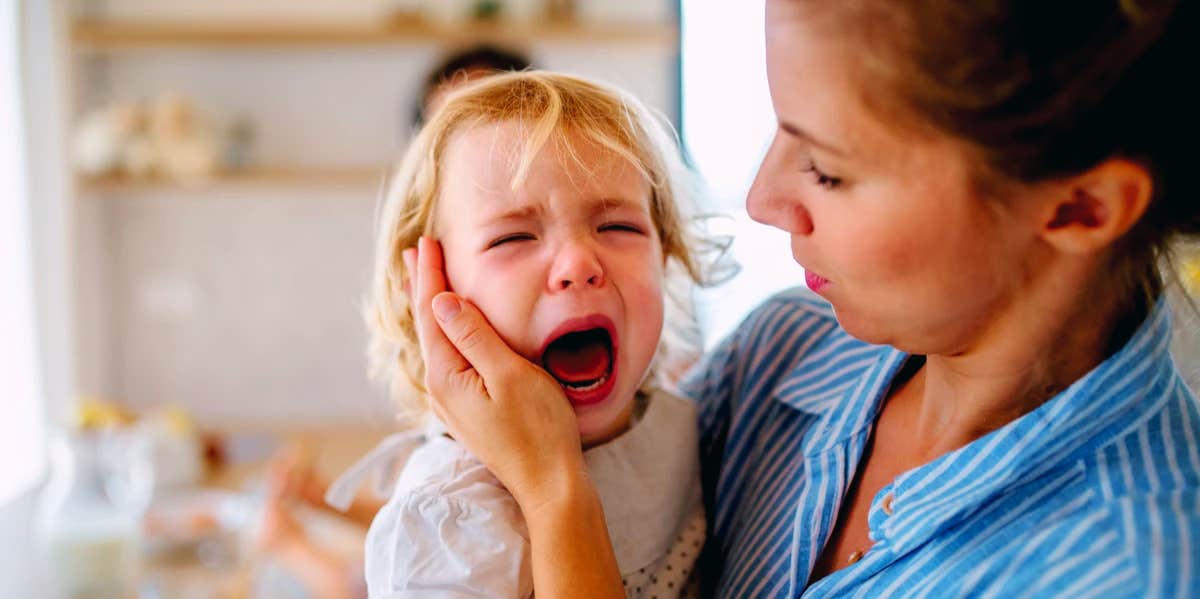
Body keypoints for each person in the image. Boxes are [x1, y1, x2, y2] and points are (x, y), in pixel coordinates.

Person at [405, 1, 1200, 597]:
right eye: (780, 131)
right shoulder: (783, 351)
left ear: (1078, 207)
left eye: (827, 168)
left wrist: (554, 492)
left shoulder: (1127, 571)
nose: (761, 197)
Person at [344, 71, 719, 597]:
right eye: (513, 237)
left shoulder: (683, 422)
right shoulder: (450, 521)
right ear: (432, 290)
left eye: (618, 227)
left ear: (667, 254)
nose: (579, 264)